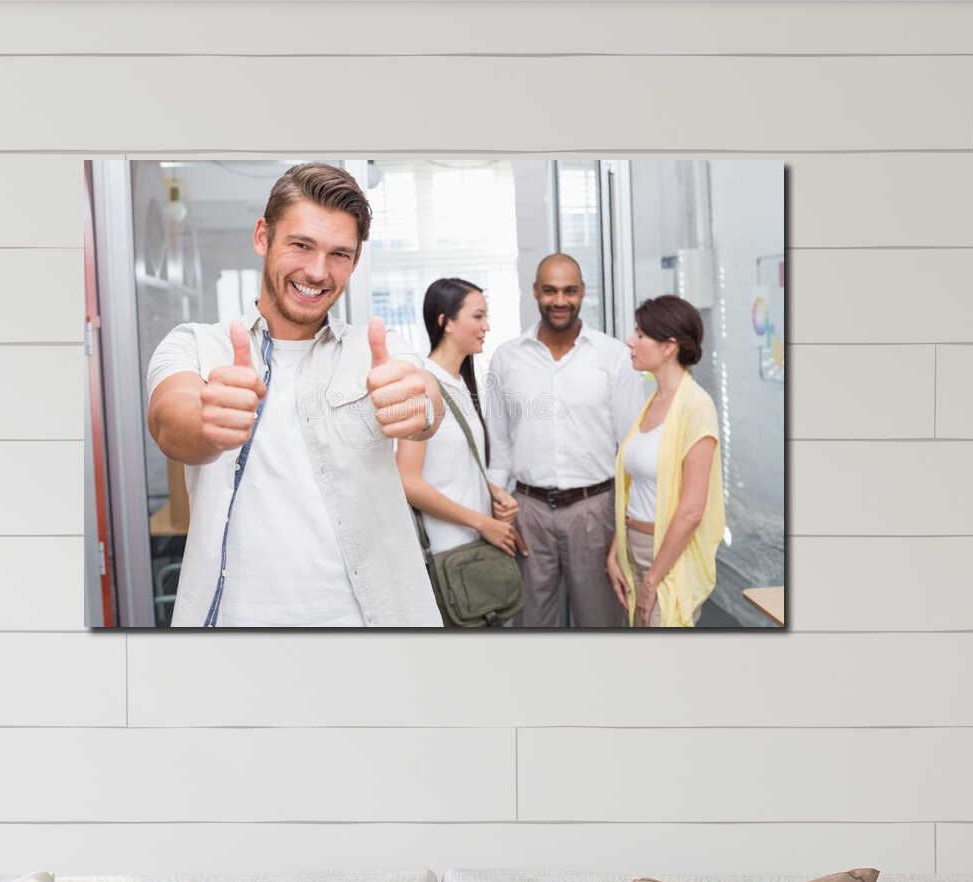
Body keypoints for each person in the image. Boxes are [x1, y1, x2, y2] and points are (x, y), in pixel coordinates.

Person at [144, 162, 445, 628]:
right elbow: (169, 419)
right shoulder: (196, 345)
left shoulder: (380, 350)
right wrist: (207, 423)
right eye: (301, 245)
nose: (318, 272)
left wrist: (420, 405)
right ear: (264, 237)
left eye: (339, 254)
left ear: (355, 261)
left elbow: (425, 396)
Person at [482, 253, 648, 628]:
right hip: (528, 511)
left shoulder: (614, 357)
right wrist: (495, 512)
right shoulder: (506, 359)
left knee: (601, 623)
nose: (560, 301)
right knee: (529, 625)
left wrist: (622, 528)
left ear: (583, 293)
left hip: (595, 511)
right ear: (535, 292)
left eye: (569, 291)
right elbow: (500, 449)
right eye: (551, 291)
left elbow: (630, 451)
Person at [394, 278, 524, 613]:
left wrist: (494, 494)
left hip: (472, 551)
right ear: (445, 322)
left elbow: (454, 468)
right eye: (478, 317)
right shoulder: (422, 384)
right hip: (445, 555)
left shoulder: (460, 384)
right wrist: (482, 523)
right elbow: (408, 482)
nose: (487, 326)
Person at [607, 294, 723, 629]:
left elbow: (691, 510)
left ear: (669, 346)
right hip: (635, 548)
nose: (630, 341)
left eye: (641, 334)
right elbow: (641, 487)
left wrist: (652, 580)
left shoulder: (695, 407)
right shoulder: (655, 400)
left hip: (665, 557)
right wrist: (618, 544)